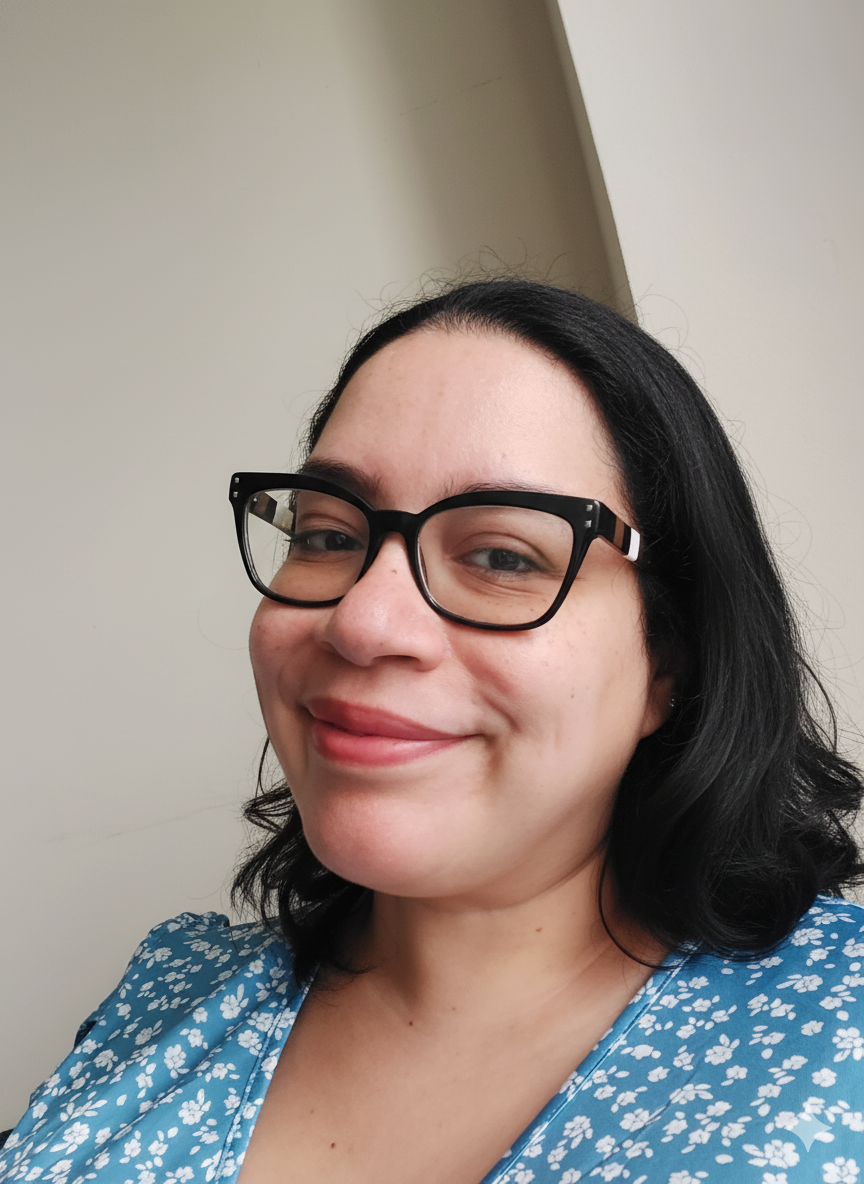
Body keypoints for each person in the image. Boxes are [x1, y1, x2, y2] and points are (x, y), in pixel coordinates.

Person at [2, 279, 863, 1184]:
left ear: (669, 659)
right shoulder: (170, 995)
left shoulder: (840, 1037)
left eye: (500, 556)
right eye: (329, 535)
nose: (364, 622)